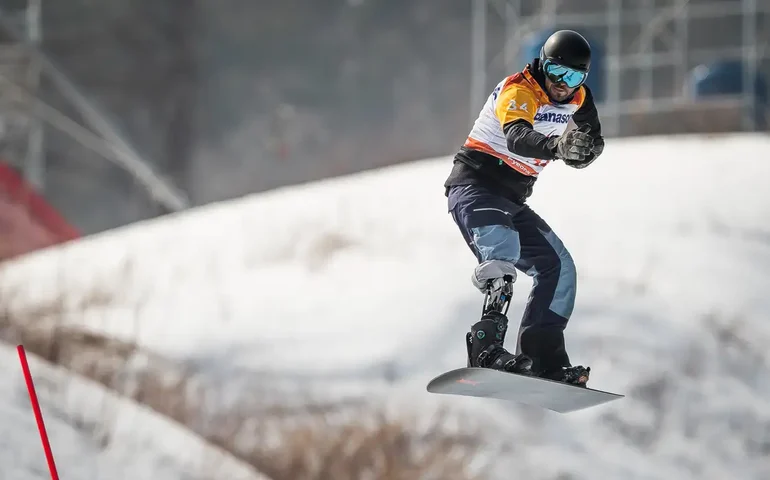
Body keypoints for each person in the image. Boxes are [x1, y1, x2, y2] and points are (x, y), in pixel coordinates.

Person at [443, 29, 604, 386]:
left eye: (574, 76)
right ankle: (485, 348)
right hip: (476, 188)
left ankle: (542, 357)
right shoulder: (521, 89)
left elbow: (594, 136)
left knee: (558, 268)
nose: (563, 84)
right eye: (558, 73)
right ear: (542, 65)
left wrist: (587, 150)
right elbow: (517, 137)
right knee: (502, 256)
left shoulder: (578, 97)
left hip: (512, 200)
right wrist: (560, 147)